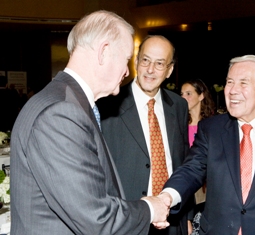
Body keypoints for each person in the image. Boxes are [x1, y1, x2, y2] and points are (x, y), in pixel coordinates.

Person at [10, 10, 170, 235]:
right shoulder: (61, 113)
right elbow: (96, 220)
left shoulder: (64, 100)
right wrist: (149, 208)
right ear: (104, 52)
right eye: (126, 60)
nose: (127, 72)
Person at [160, 55, 255, 235]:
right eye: (230, 82)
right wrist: (167, 197)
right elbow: (191, 170)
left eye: (243, 83)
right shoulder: (211, 129)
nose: (232, 90)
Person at [98, 35, 193, 235]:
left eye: (159, 64)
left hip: (174, 220)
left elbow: (184, 164)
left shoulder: (179, 106)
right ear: (136, 62)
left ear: (170, 70)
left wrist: (188, 217)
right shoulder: (107, 106)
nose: (150, 70)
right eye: (146, 60)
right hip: (128, 222)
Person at [180, 80, 215, 235]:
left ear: (201, 96)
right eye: (181, 94)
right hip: (187, 183)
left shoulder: (212, 125)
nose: (184, 97)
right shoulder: (178, 123)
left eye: (189, 94)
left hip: (208, 185)